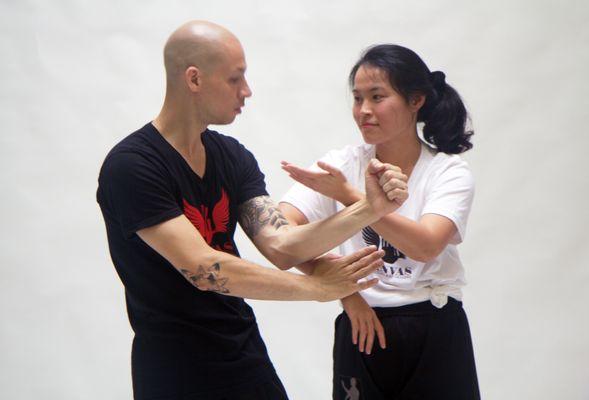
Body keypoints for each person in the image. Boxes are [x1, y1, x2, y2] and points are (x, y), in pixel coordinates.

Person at [96, 22, 407, 400]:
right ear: (194, 79)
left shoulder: (231, 156)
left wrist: (368, 209)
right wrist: (316, 287)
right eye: (234, 79)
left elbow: (282, 245)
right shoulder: (132, 166)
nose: (247, 91)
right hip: (173, 369)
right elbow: (204, 270)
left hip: (243, 355)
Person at [280, 44, 480, 399]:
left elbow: (425, 245)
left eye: (377, 97)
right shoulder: (343, 164)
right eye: (357, 99)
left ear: (415, 100)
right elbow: (282, 236)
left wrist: (351, 198)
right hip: (361, 326)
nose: (364, 111)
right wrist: (345, 291)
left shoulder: (447, 172)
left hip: (433, 326)